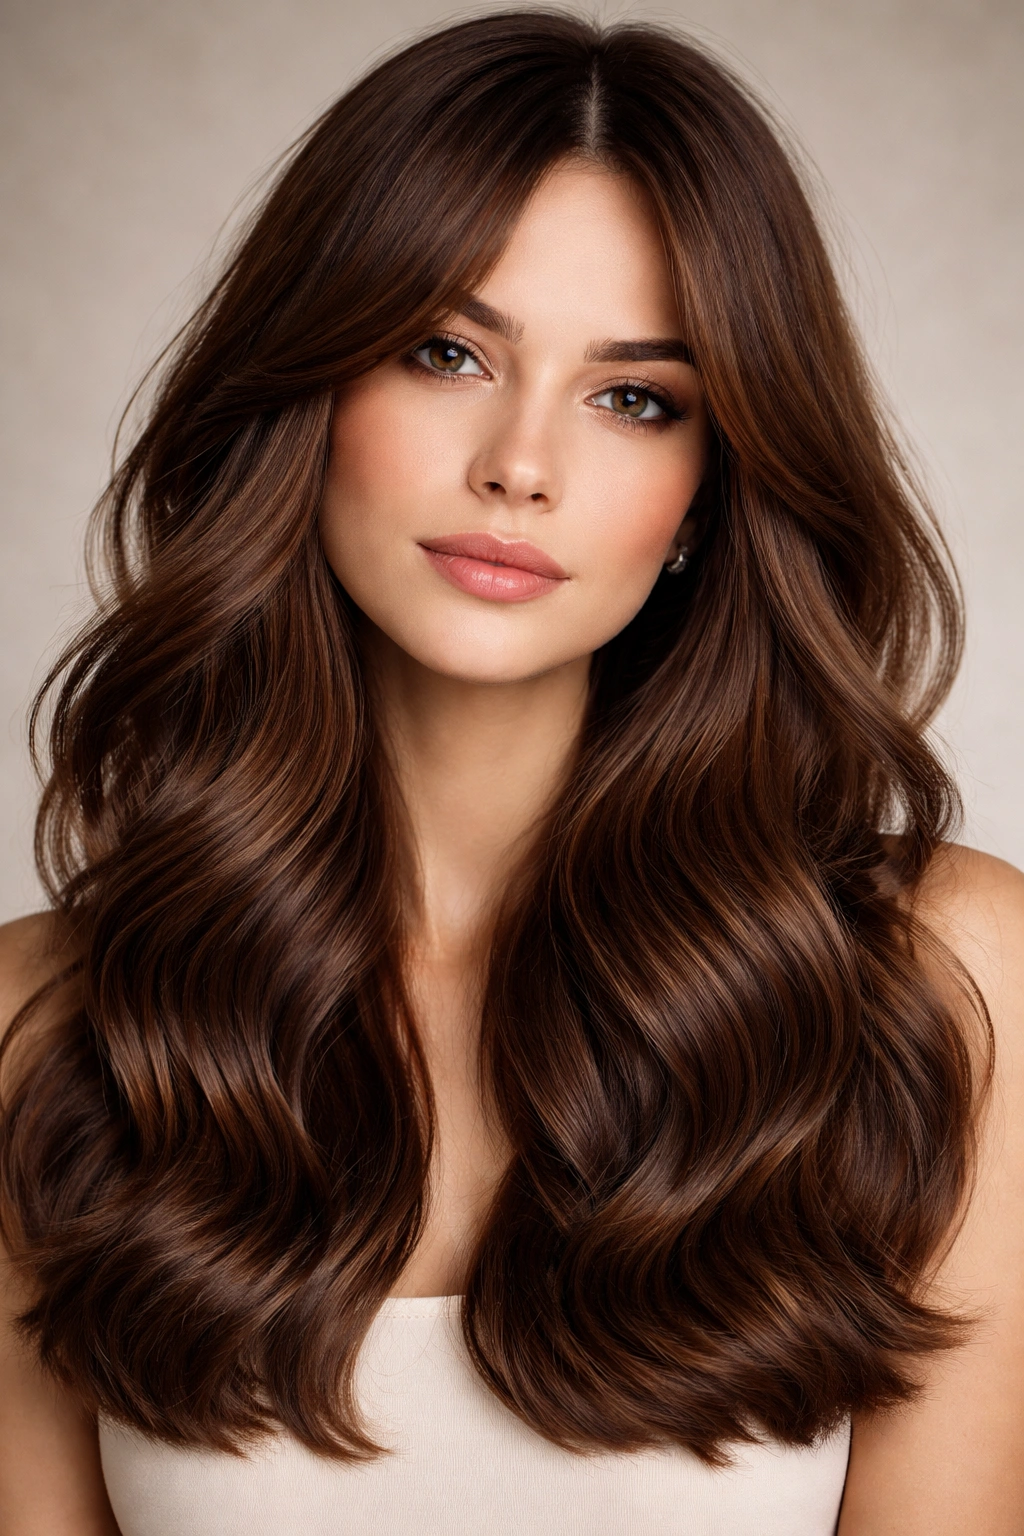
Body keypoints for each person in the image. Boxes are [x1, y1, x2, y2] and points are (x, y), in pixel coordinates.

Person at [1, 11, 1022, 1533]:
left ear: (707, 495)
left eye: (636, 398)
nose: (520, 463)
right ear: (308, 395)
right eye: (445, 351)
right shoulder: (44, 1027)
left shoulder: (943, 985)